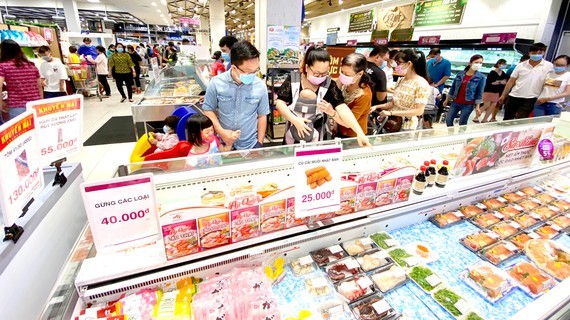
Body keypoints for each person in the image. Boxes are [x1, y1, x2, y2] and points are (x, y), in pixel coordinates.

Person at [275, 46, 371, 146]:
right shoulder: (294, 79)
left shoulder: (329, 85)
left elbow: (342, 108)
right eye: (316, 73)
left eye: (324, 73)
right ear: (307, 67)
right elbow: (280, 102)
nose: (320, 77)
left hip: (318, 138)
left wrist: (359, 132)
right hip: (292, 134)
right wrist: (294, 119)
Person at [202, 41, 268, 150]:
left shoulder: (260, 86)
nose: (252, 75)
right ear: (234, 68)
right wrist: (222, 132)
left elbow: (262, 116)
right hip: (222, 145)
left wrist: (259, 143)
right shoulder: (216, 83)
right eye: (248, 72)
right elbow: (208, 109)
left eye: (255, 71)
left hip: (250, 144)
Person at [370, 49, 431, 132]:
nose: (396, 66)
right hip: (392, 123)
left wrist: (391, 113)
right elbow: (393, 103)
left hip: (406, 127)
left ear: (409, 63)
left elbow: (419, 111)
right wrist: (377, 106)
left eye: (399, 63)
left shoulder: (421, 84)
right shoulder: (401, 80)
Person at [500, 43, 554, 120]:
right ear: (529, 53)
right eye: (534, 53)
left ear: (543, 53)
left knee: (521, 119)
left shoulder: (549, 66)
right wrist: (503, 94)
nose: (536, 55)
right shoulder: (521, 65)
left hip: (531, 98)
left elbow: (550, 83)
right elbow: (511, 81)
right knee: (507, 118)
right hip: (514, 95)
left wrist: (548, 97)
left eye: (539, 53)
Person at [0, 39, 42, 120]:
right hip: (34, 104)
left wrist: (0, 103)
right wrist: (40, 101)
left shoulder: (3, 66)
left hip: (17, 105)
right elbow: (39, 85)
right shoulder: (31, 65)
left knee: (21, 131)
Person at [444, 55, 486, 127]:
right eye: (476, 62)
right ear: (470, 63)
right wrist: (447, 99)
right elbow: (453, 87)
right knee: (448, 120)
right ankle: (451, 136)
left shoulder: (481, 77)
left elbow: (479, 92)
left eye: (480, 63)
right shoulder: (460, 74)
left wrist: (477, 107)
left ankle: (461, 136)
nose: (478, 64)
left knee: (462, 123)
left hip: (468, 104)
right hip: (455, 101)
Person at [338, 53, 373, 138]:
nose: (343, 76)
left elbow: (348, 123)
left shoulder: (364, 95)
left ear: (360, 74)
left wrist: (332, 113)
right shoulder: (345, 83)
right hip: (339, 130)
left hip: (353, 136)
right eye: (342, 72)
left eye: (347, 74)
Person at [474, 59, 509, 123]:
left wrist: (498, 82)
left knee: (493, 105)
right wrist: (500, 82)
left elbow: (505, 82)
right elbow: (492, 82)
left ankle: (485, 119)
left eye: (505, 64)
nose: (504, 66)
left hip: (497, 92)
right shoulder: (492, 72)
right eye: (503, 64)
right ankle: (476, 117)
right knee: (486, 105)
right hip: (488, 91)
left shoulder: (503, 73)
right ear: (498, 64)